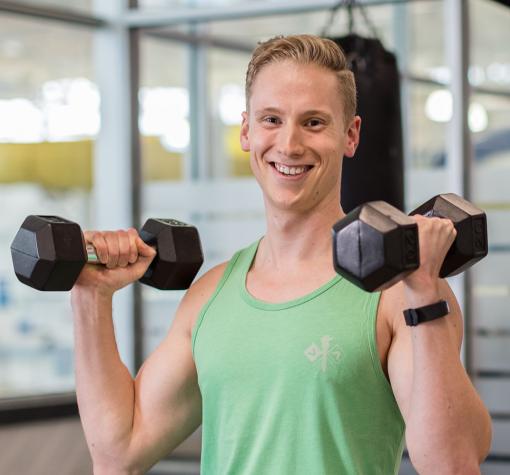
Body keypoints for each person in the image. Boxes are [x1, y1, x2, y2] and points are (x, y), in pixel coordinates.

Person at [71, 35, 492, 474]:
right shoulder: (211, 295)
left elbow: (453, 465)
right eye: (272, 119)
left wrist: (424, 292)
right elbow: (119, 452)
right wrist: (91, 297)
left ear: (350, 135)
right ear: (247, 132)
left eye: (313, 122)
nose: (289, 144)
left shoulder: (397, 292)